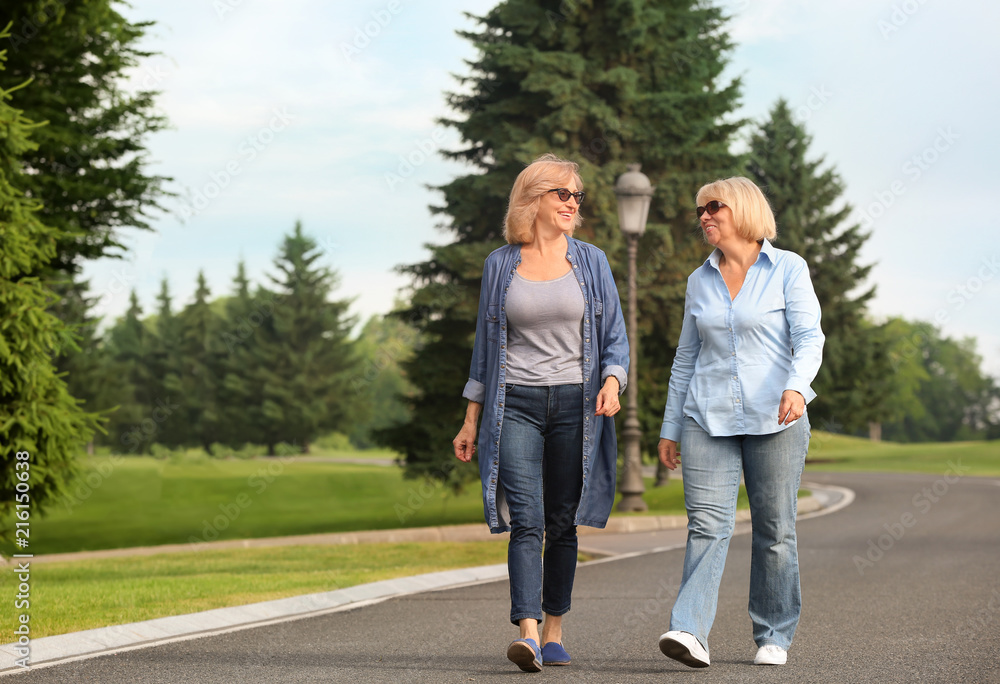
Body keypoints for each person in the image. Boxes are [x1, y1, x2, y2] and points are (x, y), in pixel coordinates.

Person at [452, 153, 629, 672]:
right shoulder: (500, 264)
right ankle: (526, 631)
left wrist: (613, 382)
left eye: (577, 196)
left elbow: (614, 337)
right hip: (517, 405)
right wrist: (470, 418)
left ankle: (554, 628)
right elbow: (485, 350)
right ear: (534, 200)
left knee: (563, 522)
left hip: (577, 404)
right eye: (563, 194)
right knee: (526, 519)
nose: (574, 203)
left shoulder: (592, 261)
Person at [656, 176, 824, 668]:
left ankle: (773, 634)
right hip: (706, 418)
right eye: (700, 210)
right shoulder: (699, 280)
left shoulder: (788, 268)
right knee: (706, 526)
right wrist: (670, 427)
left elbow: (809, 337)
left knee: (775, 530)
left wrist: (797, 386)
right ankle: (690, 632)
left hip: (776, 418)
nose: (704, 216)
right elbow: (685, 359)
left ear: (744, 210)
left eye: (714, 206)